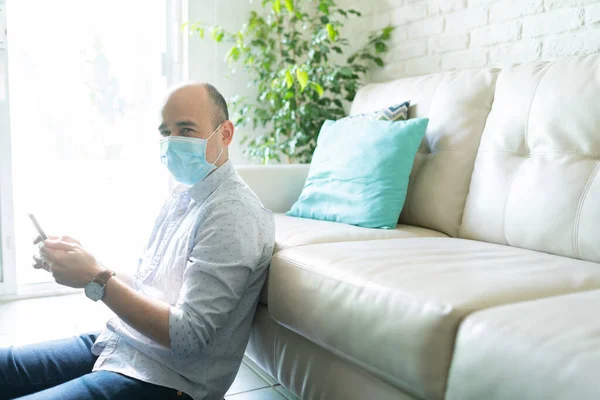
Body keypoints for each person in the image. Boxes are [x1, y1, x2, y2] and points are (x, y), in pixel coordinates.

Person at [0, 83, 276, 400]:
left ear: (225, 133)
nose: (172, 142)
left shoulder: (232, 215)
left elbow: (188, 337)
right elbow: (151, 287)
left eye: (186, 129)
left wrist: (96, 278)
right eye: (165, 132)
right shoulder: (184, 196)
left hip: (169, 380)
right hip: (121, 344)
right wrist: (85, 263)